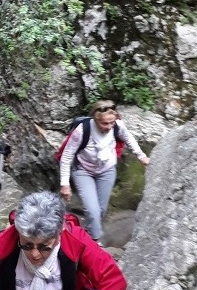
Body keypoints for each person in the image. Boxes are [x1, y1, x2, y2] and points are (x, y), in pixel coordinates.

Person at [59, 100, 150, 244]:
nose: (109, 127)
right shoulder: (83, 130)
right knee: (93, 211)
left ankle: (88, 233)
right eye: (104, 124)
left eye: (111, 123)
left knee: (100, 210)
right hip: (83, 171)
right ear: (95, 119)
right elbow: (67, 155)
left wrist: (141, 156)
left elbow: (128, 138)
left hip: (106, 170)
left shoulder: (117, 125)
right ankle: (94, 242)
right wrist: (65, 184)